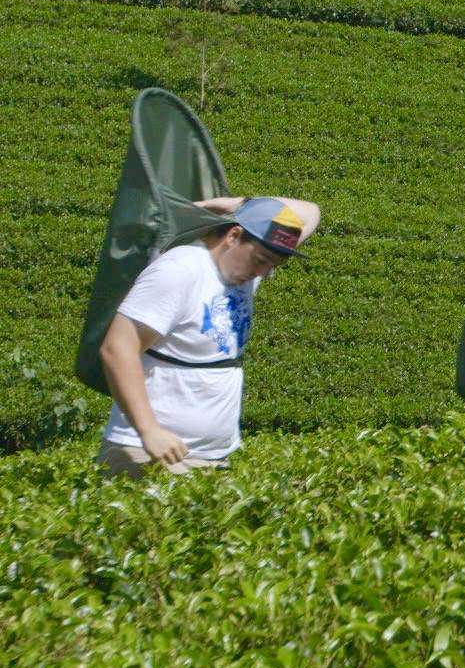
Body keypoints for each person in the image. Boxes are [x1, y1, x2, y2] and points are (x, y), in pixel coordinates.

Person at [98, 195, 321, 476]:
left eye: (273, 266)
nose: (264, 273)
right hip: (151, 453)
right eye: (262, 261)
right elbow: (118, 348)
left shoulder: (245, 267)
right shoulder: (180, 270)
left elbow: (311, 213)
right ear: (233, 235)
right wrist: (148, 430)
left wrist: (239, 204)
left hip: (210, 457)